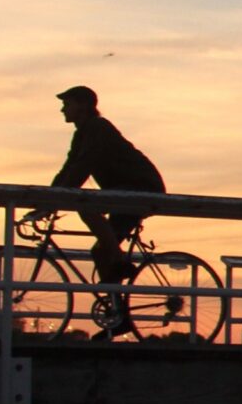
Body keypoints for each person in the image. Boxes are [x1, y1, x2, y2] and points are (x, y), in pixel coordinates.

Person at [51, 85, 163, 331]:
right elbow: (70, 167)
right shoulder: (83, 133)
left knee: (86, 206)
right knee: (100, 252)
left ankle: (121, 259)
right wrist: (49, 196)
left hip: (139, 189)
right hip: (122, 193)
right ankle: (119, 316)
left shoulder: (97, 129)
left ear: (82, 106)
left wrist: (55, 198)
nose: (62, 109)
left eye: (67, 104)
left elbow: (82, 166)